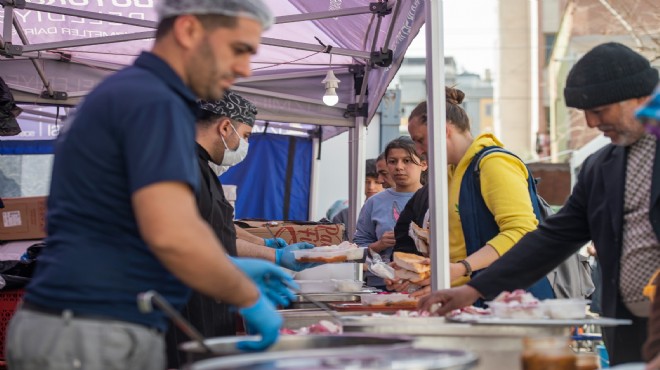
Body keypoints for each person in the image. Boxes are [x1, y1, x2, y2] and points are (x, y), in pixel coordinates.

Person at [6, 2, 295, 369]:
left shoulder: (138, 94)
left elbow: (164, 224)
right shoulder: (153, 101)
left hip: (92, 324)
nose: (244, 68)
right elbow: (172, 235)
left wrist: (229, 267)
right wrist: (245, 294)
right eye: (239, 49)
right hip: (87, 329)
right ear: (189, 31)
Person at [419, 42, 660, 366]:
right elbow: (552, 238)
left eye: (599, 111)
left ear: (637, 97)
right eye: (584, 113)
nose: (590, 123)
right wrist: (474, 289)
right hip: (629, 330)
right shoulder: (599, 168)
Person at [166, 91, 320, 368]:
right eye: (246, 135)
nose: (245, 143)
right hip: (187, 308)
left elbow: (219, 227)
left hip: (211, 300)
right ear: (225, 127)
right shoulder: (181, 165)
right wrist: (265, 261)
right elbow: (180, 239)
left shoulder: (202, 167)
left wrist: (265, 250)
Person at [389, 87, 554, 301]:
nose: (419, 150)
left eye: (420, 140)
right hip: (475, 299)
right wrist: (415, 272)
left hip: (512, 301)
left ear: (444, 130)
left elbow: (522, 232)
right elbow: (459, 247)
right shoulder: (450, 172)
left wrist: (461, 268)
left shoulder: (494, 164)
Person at [354, 136, 427, 289]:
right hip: (381, 284)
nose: (399, 167)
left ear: (423, 164)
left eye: (407, 161)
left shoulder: (436, 198)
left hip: (425, 284)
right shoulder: (374, 202)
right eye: (392, 162)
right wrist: (378, 245)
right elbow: (357, 249)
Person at [332, 158, 386, 240]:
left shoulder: (393, 211)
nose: (371, 187)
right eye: (366, 181)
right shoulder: (344, 216)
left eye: (377, 182)